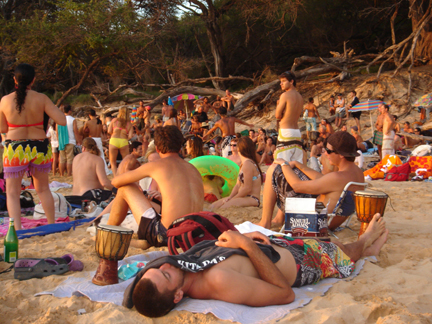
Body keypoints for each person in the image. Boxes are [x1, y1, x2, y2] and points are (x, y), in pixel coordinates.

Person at [125, 216, 388, 318]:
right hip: (300, 263)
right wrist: (247, 246)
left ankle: (367, 251)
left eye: (156, 268)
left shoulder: (186, 268)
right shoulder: (218, 282)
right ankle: (365, 243)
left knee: (324, 237)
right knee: (341, 252)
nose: (165, 265)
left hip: (273, 247)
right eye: (165, 274)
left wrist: (242, 243)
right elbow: (284, 294)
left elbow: (219, 254)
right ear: (178, 295)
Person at [105, 126, 204, 249]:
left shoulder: (157, 165)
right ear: (180, 147)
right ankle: (142, 242)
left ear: (157, 148)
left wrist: (135, 185)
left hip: (166, 235)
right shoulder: (193, 168)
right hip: (193, 234)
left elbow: (116, 182)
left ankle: (108, 232)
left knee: (125, 188)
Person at [0, 63, 66, 230]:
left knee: (13, 192)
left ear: (14, 79)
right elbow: (62, 120)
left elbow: (2, 128)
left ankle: (17, 229)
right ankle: (51, 224)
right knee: (43, 189)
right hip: (40, 147)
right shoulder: (41, 98)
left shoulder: (5, 100)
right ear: (33, 80)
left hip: (15, 148)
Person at [256, 131, 364, 231]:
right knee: (296, 172)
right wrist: (298, 165)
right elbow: (323, 180)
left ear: (341, 154)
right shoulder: (357, 173)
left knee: (274, 168)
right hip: (329, 219)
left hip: (313, 221)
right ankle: (278, 219)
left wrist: (284, 164)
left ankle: (265, 222)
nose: (325, 154)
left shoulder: (338, 177)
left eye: (329, 151)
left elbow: (297, 186)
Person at [210, 137, 263, 210]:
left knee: (223, 208)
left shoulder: (248, 164)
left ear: (239, 149)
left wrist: (233, 198)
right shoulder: (244, 163)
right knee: (213, 206)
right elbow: (238, 184)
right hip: (244, 197)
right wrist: (230, 197)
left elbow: (247, 188)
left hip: (252, 198)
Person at [69, 137, 113, 203]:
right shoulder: (97, 159)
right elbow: (104, 182)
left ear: (83, 148)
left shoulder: (76, 158)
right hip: (90, 196)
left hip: (76, 197)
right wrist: (116, 189)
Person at [274, 71, 304, 163]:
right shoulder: (300, 97)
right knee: (296, 164)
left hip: (286, 132)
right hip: (296, 132)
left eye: (283, 81)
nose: (281, 83)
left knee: (282, 163)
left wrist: (278, 105)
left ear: (291, 81)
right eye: (280, 81)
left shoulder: (285, 95)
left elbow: (277, 116)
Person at [84, 109, 110, 175]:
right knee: (101, 155)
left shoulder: (88, 122)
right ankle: (105, 171)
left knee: (90, 155)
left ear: (89, 115)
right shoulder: (100, 122)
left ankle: (90, 170)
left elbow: (84, 131)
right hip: (98, 138)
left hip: (91, 139)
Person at [108, 107, 133, 175]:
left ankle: (116, 178)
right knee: (125, 161)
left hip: (114, 140)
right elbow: (130, 136)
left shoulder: (114, 120)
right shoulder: (129, 124)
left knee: (113, 163)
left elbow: (109, 131)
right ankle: (124, 176)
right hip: (123, 141)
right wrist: (125, 138)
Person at [58, 104, 80, 177]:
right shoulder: (72, 120)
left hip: (61, 141)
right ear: (70, 111)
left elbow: (57, 131)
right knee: (69, 159)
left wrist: (59, 141)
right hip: (70, 141)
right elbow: (75, 131)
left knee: (62, 159)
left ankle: (61, 174)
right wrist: (78, 140)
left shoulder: (59, 119)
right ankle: (69, 174)